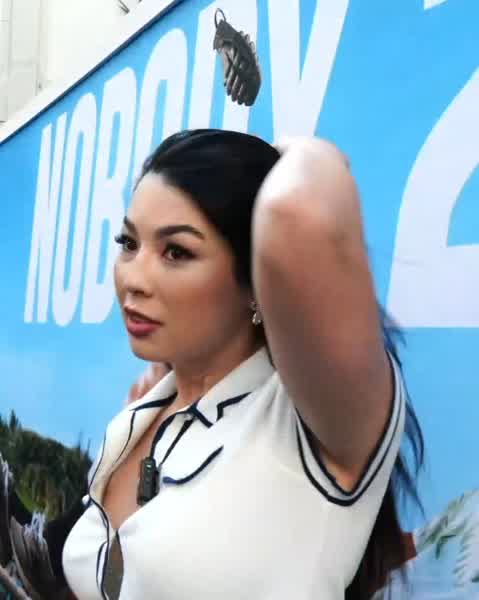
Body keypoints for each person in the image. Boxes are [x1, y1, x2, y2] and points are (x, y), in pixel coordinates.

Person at [62, 129, 423, 600]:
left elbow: (297, 208)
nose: (133, 277)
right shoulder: (140, 416)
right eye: (128, 243)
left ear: (257, 281)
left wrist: (283, 152)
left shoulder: (314, 427)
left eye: (176, 252)